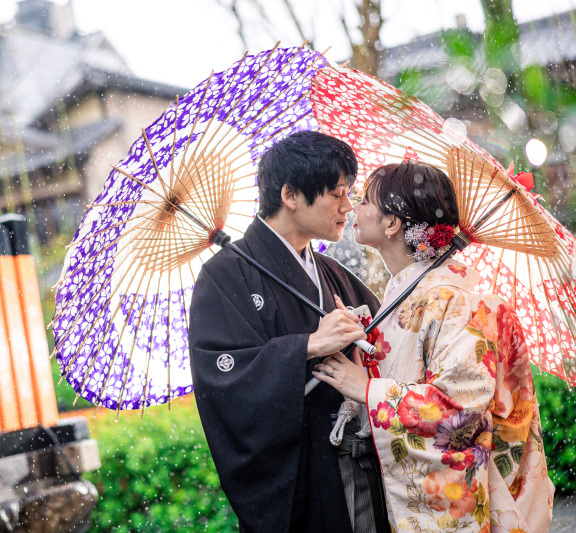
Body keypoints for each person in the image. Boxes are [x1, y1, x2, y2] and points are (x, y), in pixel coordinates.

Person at [313, 161, 555, 532]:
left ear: (393, 223)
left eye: (363, 201)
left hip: (452, 503)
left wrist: (366, 388)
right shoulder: (407, 292)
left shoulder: (452, 301)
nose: (352, 208)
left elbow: (459, 408)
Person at [188, 130, 390, 533]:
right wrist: (308, 346)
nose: (348, 207)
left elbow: (387, 345)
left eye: (349, 193)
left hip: (359, 458)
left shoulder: (331, 272)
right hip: (300, 472)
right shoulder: (224, 276)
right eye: (337, 193)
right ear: (291, 196)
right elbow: (222, 378)